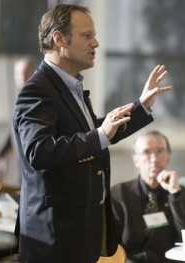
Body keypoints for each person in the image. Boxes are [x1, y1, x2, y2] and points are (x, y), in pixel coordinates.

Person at [12, 4, 172, 263]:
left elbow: (97, 133)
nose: (96, 43)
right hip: (53, 240)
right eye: (87, 35)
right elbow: (38, 150)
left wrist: (141, 106)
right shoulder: (37, 90)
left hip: (77, 235)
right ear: (59, 38)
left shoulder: (70, 86)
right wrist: (99, 135)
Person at [111, 130, 185, 263]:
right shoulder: (118, 195)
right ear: (136, 160)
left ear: (168, 157)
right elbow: (110, 246)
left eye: (159, 151)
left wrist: (175, 194)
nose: (154, 159)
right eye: (147, 152)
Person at [0, 58, 36, 187]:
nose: (23, 77)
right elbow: (13, 131)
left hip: (35, 163)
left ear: (34, 73)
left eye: (26, 72)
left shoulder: (37, 98)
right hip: (22, 166)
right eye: (19, 74)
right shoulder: (20, 98)